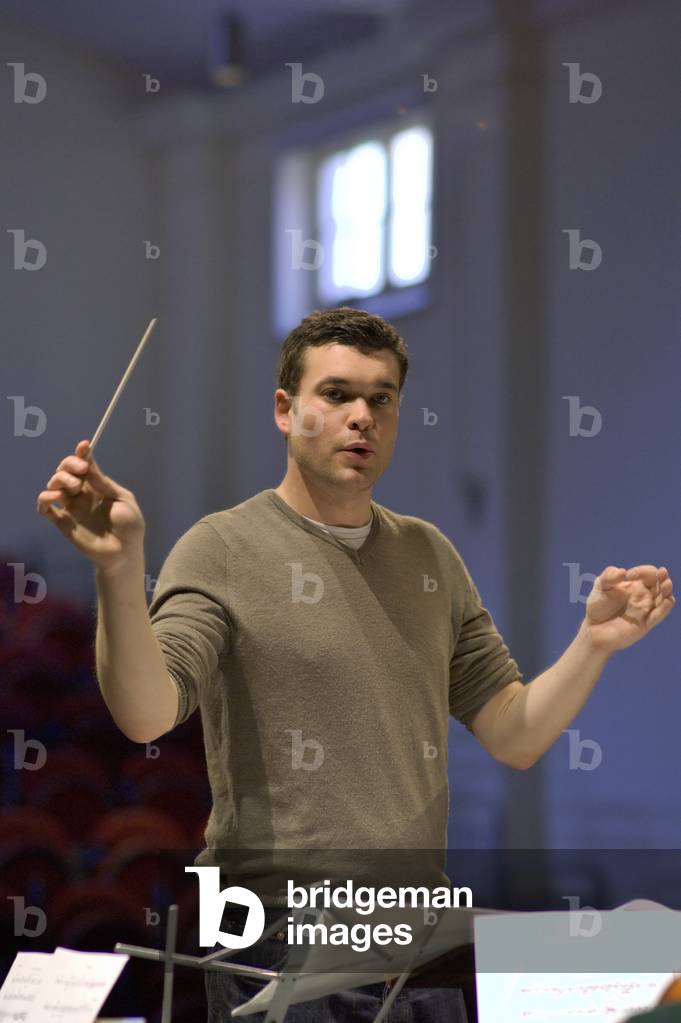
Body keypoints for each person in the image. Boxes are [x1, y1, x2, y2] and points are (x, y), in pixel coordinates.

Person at [37, 306, 675, 1023]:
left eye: (381, 398)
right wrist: (120, 571)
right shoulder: (221, 546)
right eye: (336, 394)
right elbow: (146, 712)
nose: (361, 416)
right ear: (285, 410)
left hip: (414, 928)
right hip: (269, 924)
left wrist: (593, 642)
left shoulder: (428, 554)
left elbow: (514, 733)